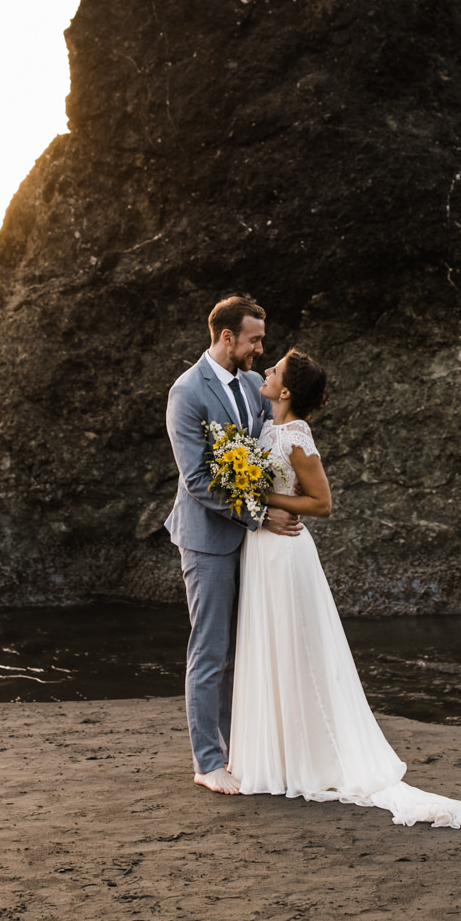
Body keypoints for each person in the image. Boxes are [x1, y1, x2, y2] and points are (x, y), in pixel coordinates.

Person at [227, 347, 461, 830]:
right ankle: (275, 757)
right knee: (268, 648)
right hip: (261, 551)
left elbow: (322, 503)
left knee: (294, 651)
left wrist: (263, 495)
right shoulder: (264, 426)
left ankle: (311, 759)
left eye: (274, 371)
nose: (264, 373)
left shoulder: (296, 435)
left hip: (286, 555)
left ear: (285, 391)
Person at [164, 294, 301, 794]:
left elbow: (274, 441)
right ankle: (208, 762)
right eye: (254, 339)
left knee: (242, 650)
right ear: (227, 337)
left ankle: (240, 749)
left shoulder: (249, 384)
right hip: (207, 542)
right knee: (210, 650)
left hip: (248, 541)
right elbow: (198, 479)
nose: (260, 349)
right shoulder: (187, 393)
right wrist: (262, 515)